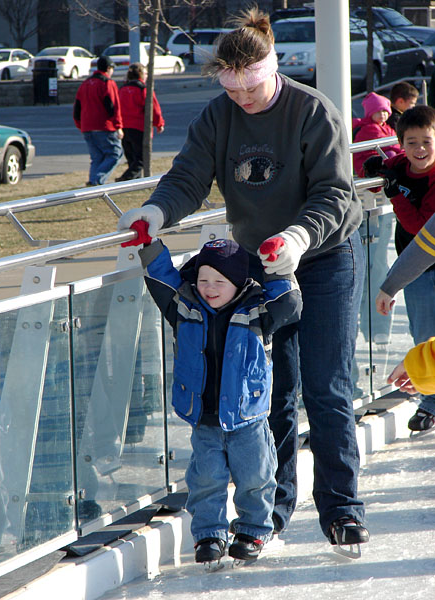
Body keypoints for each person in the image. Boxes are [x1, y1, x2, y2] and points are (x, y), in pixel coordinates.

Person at [117, 7, 370, 553]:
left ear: (270, 70)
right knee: (271, 391)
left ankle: (342, 509)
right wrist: (155, 215)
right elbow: (188, 177)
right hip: (257, 267)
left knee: (326, 387)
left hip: (322, 259)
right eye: (233, 91)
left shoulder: (312, 111)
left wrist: (299, 237)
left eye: (251, 88)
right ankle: (271, 514)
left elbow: (334, 192)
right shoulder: (218, 116)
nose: (243, 100)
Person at [132, 225, 302, 564]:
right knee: (206, 479)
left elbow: (289, 303)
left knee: (256, 476)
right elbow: (163, 279)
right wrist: (149, 246)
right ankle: (209, 534)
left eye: (219, 282)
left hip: (247, 417)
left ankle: (253, 530)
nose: (209, 289)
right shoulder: (184, 307)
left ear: (238, 283)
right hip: (204, 416)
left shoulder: (257, 311)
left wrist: (277, 266)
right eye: (204, 280)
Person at [366, 105, 435, 433]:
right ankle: (430, 401)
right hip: (415, 267)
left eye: (428, 141)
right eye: (412, 142)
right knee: (423, 334)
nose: (420, 149)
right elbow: (390, 166)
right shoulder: (402, 164)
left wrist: (394, 194)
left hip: (421, 254)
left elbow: (423, 227)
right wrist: (376, 171)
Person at [73, 55, 123, 186]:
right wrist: (118, 126)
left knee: (97, 157)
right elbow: (113, 106)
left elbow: (77, 108)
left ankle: (92, 182)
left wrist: (80, 125)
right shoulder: (107, 83)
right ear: (108, 68)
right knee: (115, 153)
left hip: (87, 126)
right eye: (112, 68)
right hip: (103, 126)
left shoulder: (85, 84)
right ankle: (97, 181)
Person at [116, 63, 165, 182]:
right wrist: (159, 123)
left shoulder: (122, 89)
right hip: (139, 127)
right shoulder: (143, 90)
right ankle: (127, 178)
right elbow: (153, 108)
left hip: (124, 126)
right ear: (142, 75)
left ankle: (134, 180)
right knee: (142, 158)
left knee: (131, 157)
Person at [352, 92, 401, 177]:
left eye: (384, 111)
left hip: (377, 160)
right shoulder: (369, 128)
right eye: (378, 112)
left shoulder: (387, 127)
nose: (382, 114)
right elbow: (388, 145)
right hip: (367, 164)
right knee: (391, 155)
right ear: (370, 113)